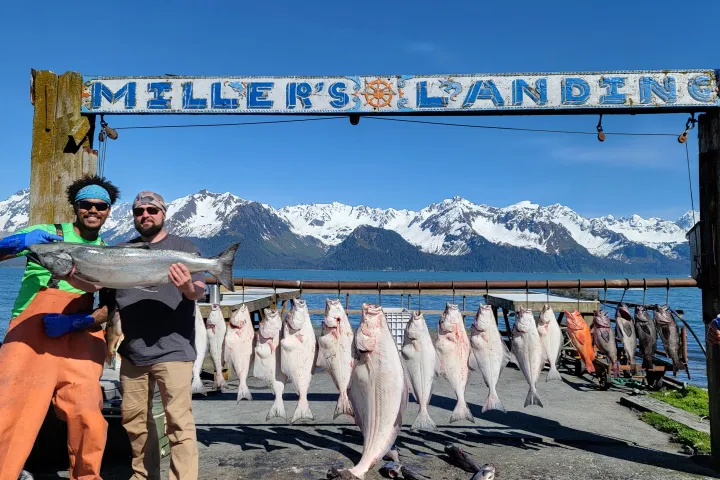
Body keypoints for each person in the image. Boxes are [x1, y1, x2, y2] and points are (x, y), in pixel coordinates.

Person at [0, 175, 121, 479]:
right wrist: (17, 243)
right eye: (86, 204)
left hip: (79, 339)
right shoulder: (45, 235)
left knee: (89, 417)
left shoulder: (110, 252)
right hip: (30, 336)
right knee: (10, 414)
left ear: (108, 210)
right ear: (75, 206)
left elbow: (111, 307)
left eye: (100, 205)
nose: (93, 210)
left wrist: (81, 321)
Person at [111, 191, 205, 480]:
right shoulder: (121, 251)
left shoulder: (183, 247)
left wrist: (187, 286)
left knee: (179, 423)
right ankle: (144, 476)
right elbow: (107, 297)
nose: (145, 215)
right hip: (132, 352)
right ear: (134, 217)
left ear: (163, 214)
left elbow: (198, 291)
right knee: (135, 423)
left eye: (152, 210)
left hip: (174, 350)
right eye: (139, 211)